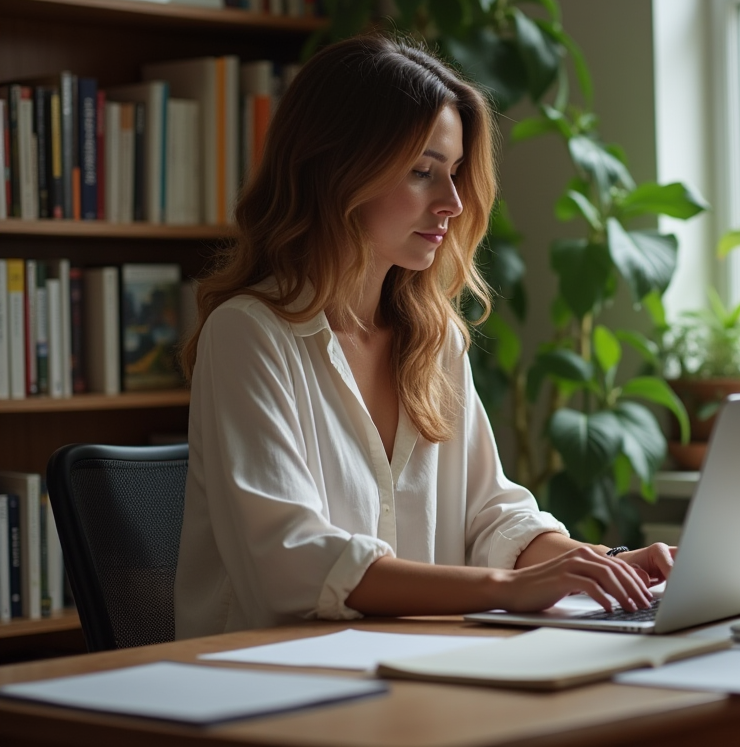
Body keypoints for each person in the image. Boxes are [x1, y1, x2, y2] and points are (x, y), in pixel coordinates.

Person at [174, 33, 673, 639]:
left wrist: (593, 566)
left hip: (417, 669)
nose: (454, 203)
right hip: (273, 688)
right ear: (337, 169)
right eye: (422, 172)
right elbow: (292, 560)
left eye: (457, 173)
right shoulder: (250, 336)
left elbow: (493, 515)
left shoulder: (435, 341)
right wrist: (509, 590)